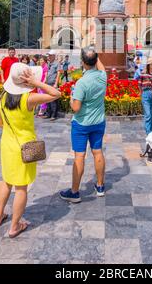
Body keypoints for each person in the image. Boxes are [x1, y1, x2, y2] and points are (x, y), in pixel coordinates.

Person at [0, 63, 61, 239]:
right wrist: (37, 83)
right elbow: (56, 94)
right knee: (21, 188)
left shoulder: (1, 97)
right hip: (24, 147)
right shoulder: (28, 100)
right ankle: (15, 226)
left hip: (7, 144)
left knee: (7, 181)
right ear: (25, 82)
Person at [60, 48, 107, 203]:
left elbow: (76, 108)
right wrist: (94, 52)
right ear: (96, 60)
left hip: (81, 123)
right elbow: (100, 65)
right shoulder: (102, 76)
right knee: (97, 152)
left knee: (80, 156)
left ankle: (74, 192)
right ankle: (100, 186)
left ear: (83, 62)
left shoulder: (81, 83)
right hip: (98, 121)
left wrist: (71, 98)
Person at [134, 57, 152, 136]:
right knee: (148, 114)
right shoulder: (143, 73)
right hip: (145, 93)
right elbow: (139, 84)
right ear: (149, 65)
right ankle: (148, 133)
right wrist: (141, 93)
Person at [43, 50, 60, 120]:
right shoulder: (48, 63)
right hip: (47, 83)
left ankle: (54, 115)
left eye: (50, 55)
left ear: (53, 56)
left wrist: (56, 83)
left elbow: (58, 73)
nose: (48, 57)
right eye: (48, 55)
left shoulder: (57, 63)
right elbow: (46, 73)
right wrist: (44, 81)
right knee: (47, 99)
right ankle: (48, 113)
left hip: (53, 83)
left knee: (53, 100)